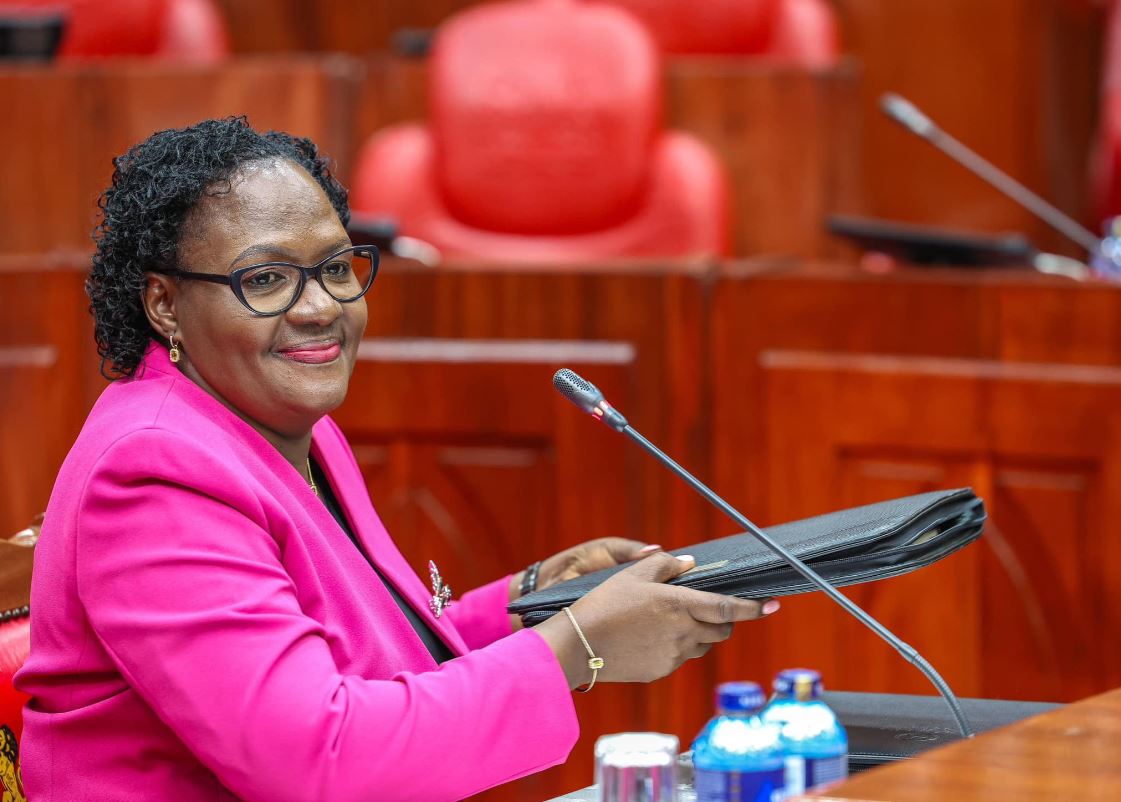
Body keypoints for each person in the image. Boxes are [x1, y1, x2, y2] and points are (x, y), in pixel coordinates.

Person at [15, 117, 778, 801]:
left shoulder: (279, 421)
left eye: (336, 268)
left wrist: (531, 602)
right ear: (163, 305)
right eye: (266, 279)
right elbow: (319, 758)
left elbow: (352, 656)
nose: (319, 307)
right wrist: (577, 647)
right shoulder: (155, 471)